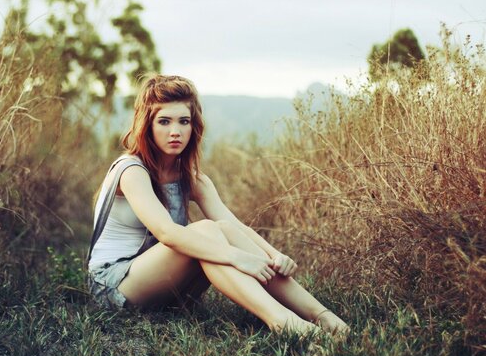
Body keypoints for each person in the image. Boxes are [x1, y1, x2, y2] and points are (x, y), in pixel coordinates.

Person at [87, 74, 349, 336]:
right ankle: (284, 322)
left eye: (184, 121)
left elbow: (234, 226)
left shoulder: (193, 178)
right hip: (114, 286)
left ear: (194, 127)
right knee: (207, 231)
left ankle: (322, 316)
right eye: (164, 121)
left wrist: (273, 256)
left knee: (221, 227)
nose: (175, 131)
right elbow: (167, 233)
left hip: (164, 288)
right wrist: (237, 257)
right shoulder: (131, 170)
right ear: (147, 125)